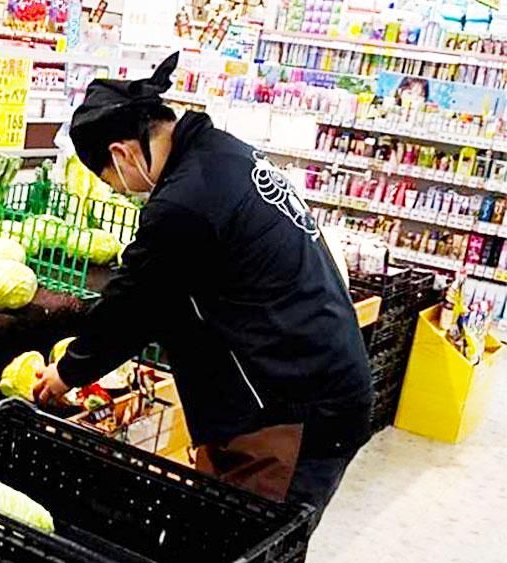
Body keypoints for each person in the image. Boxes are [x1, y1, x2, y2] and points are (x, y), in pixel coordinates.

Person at [34, 53, 373, 521]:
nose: (125, 192)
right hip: (316, 376)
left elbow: (133, 305)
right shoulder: (222, 154)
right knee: (225, 535)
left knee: (247, 549)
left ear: (122, 154)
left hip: (295, 409)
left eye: (114, 184)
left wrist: (68, 371)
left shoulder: (186, 201)